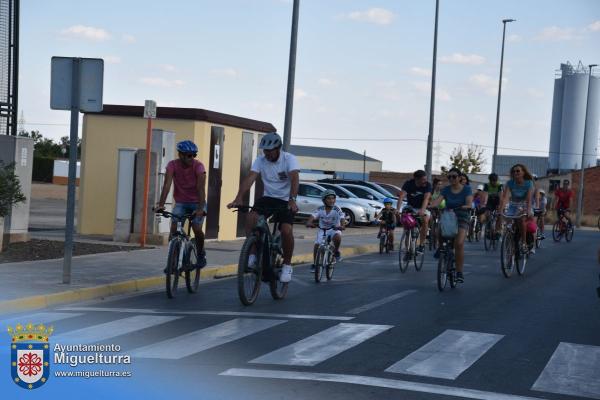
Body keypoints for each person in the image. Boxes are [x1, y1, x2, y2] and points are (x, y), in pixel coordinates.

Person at [227, 132, 299, 283]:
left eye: (269, 150)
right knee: (250, 218)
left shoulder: (289, 159)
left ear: (278, 148)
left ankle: (287, 265)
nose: (266, 154)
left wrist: (292, 200)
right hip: (268, 198)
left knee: (286, 230)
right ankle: (252, 254)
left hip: (285, 200)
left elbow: (294, 179)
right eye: (264, 150)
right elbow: (250, 179)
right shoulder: (260, 161)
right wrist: (239, 197)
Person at [156, 140, 207, 269]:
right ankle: (172, 260)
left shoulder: (199, 167)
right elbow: (166, 185)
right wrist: (161, 205)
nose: (192, 158)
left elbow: (201, 189)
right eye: (188, 155)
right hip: (181, 203)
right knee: (174, 229)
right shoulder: (172, 165)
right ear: (180, 155)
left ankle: (201, 254)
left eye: (194, 155)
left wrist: (200, 209)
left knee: (197, 228)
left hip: (198, 203)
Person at [430, 167, 473, 283]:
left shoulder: (467, 189)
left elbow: (469, 202)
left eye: (454, 176)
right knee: (438, 231)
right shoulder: (446, 189)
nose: (451, 179)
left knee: (458, 243)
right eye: (449, 177)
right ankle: (441, 247)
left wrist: (467, 206)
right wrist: (432, 205)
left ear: (459, 178)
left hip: (462, 216)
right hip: (449, 215)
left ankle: (459, 272)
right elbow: (438, 200)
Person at [499, 164, 535, 254]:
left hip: (524, 204)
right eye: (514, 171)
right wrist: (501, 210)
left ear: (523, 172)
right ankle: (509, 242)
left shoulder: (528, 182)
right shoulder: (510, 183)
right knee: (508, 221)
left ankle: (523, 242)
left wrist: (528, 210)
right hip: (513, 204)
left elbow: (529, 199)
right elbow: (505, 197)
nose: (516, 173)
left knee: (521, 219)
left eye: (518, 171)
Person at [306, 190, 345, 271]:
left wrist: (342, 225)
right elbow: (313, 216)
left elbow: (342, 217)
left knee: (337, 237)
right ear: (324, 200)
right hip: (322, 230)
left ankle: (336, 252)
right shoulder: (320, 209)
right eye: (328, 199)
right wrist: (309, 222)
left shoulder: (337, 209)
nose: (331, 200)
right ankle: (315, 264)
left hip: (334, 229)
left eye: (333, 198)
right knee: (317, 245)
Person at [397, 170, 432, 254]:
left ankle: (422, 244)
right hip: (411, 207)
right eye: (423, 179)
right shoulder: (409, 183)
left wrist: (422, 210)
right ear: (416, 179)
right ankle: (407, 249)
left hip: (422, 207)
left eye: (425, 179)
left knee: (425, 220)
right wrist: (397, 209)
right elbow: (401, 196)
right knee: (406, 224)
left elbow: (426, 198)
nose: (425, 181)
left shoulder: (427, 185)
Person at [482, 173, 503, 238]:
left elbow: (500, 196)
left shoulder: (499, 185)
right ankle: (488, 228)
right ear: (490, 180)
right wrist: (485, 203)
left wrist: (499, 205)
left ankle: (498, 230)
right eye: (492, 181)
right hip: (490, 200)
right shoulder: (486, 185)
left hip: (497, 200)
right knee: (487, 213)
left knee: (499, 215)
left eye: (495, 180)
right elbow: (485, 195)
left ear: (497, 180)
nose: (494, 182)